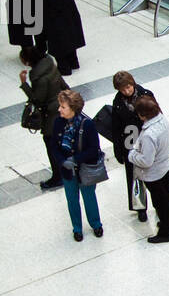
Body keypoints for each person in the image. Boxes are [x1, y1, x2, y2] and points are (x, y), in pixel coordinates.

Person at [49, 89, 104, 241]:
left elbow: (94, 149)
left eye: (63, 106)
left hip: (85, 169)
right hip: (67, 170)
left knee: (89, 197)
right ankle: (77, 228)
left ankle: (96, 224)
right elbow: (53, 145)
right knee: (72, 199)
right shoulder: (58, 122)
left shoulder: (88, 125)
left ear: (73, 108)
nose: (59, 109)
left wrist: (74, 160)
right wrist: (62, 161)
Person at [127, 93, 169, 244]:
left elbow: (146, 160)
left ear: (143, 115)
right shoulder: (162, 120)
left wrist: (132, 155)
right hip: (164, 166)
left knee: (160, 203)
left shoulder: (149, 134)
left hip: (153, 174)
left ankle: (166, 232)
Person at [19, 45, 67, 190]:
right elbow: (63, 84)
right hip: (61, 108)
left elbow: (37, 99)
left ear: (28, 61)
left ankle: (58, 177)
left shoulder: (38, 77)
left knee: (51, 143)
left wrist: (24, 83)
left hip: (51, 114)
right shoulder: (50, 65)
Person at [111, 70, 151, 220]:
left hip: (147, 137)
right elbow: (115, 127)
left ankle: (159, 205)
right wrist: (118, 150)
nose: (126, 91)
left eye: (128, 87)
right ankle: (140, 207)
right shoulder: (118, 102)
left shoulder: (145, 94)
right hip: (130, 140)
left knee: (154, 173)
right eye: (123, 89)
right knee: (134, 175)